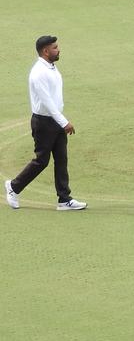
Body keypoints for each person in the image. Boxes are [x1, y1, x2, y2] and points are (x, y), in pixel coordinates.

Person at [5, 36, 86, 211]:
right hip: (43, 122)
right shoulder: (38, 73)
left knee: (61, 159)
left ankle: (64, 199)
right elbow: (47, 103)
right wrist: (64, 122)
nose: (58, 50)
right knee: (42, 161)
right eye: (55, 47)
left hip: (55, 120)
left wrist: (60, 120)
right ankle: (13, 187)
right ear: (45, 51)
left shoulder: (51, 67)